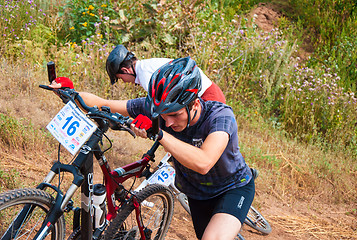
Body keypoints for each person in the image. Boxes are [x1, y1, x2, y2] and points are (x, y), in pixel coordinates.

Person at [51, 57, 254, 240]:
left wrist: (160, 134)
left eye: (175, 115)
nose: (168, 121)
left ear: (194, 104)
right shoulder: (160, 109)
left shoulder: (220, 116)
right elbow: (104, 103)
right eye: (162, 116)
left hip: (232, 188)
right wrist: (71, 93)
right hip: (197, 193)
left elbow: (203, 162)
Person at [106, 44, 226, 104]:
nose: (124, 81)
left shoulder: (144, 74)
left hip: (206, 97)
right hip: (208, 92)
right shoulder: (147, 66)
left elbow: (162, 105)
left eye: (120, 78)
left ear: (126, 71)